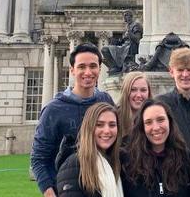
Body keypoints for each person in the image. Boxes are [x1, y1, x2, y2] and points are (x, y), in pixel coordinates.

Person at [32, 43, 115, 197]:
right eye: (82, 67)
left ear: (100, 69)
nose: (88, 72)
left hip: (104, 187)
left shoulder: (105, 100)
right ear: (72, 70)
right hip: (67, 188)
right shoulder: (53, 109)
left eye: (93, 66)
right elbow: (39, 159)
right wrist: (50, 193)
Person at [122, 99, 190, 197]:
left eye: (160, 120)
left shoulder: (185, 157)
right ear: (142, 127)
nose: (156, 127)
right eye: (148, 122)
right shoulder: (128, 160)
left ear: (169, 121)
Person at [56, 103, 124, 197]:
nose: (107, 130)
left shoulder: (116, 163)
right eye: (99, 125)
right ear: (89, 128)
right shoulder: (73, 165)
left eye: (112, 125)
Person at [117, 71, 152, 137]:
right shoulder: (114, 118)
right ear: (125, 92)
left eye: (143, 90)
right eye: (133, 90)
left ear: (149, 92)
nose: (138, 95)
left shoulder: (154, 118)